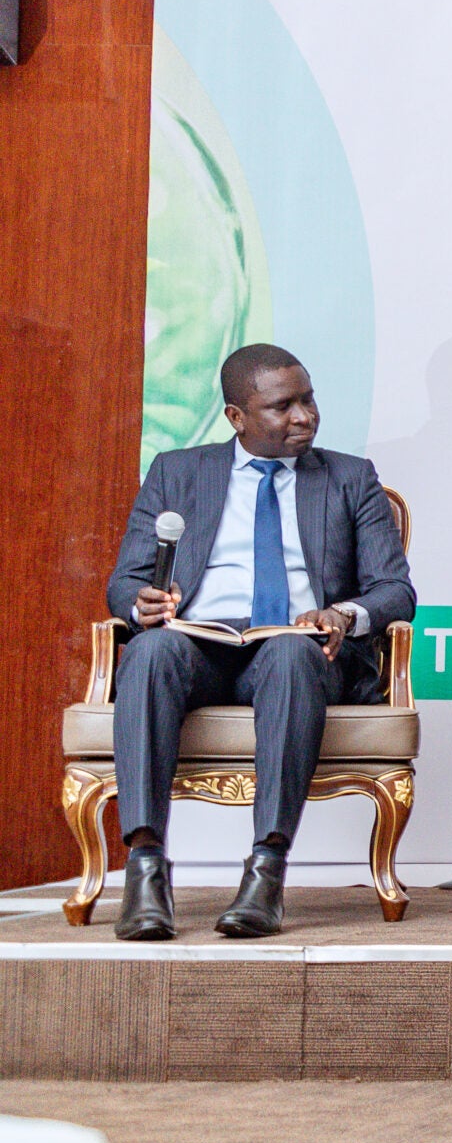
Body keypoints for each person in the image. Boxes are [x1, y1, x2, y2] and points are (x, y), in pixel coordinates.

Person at [104, 344, 416, 941]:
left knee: (292, 651)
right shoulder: (177, 471)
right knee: (148, 650)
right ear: (235, 417)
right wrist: (138, 603)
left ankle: (266, 870)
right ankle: (145, 868)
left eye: (308, 399)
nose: (305, 417)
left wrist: (344, 614)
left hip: (297, 648)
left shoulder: (350, 478)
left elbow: (394, 590)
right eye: (282, 406)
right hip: (199, 648)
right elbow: (127, 579)